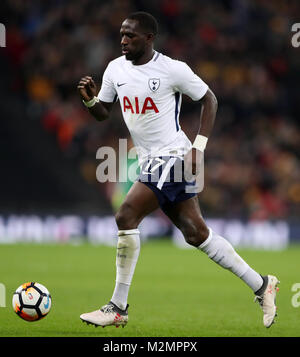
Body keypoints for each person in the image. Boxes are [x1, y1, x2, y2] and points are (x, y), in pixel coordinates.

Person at [77, 11, 279, 329]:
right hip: (150, 160)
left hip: (175, 156)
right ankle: (262, 284)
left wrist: (198, 148)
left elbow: (209, 99)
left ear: (149, 38)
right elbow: (104, 113)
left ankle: (118, 307)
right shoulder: (115, 69)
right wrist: (90, 103)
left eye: (130, 35)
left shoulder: (172, 69)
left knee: (125, 214)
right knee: (196, 234)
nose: (123, 40)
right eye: (121, 34)